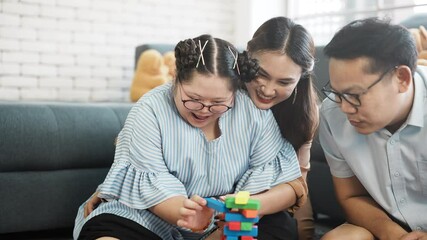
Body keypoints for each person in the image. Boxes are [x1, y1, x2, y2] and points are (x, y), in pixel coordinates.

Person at [73, 34, 307, 240]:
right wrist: (187, 215)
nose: (204, 110)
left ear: (236, 90)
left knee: (279, 227)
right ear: (176, 77)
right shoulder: (150, 109)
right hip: (151, 216)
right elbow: (150, 189)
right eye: (193, 98)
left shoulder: (252, 110)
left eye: (218, 103)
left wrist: (240, 210)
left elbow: (286, 183)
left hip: (225, 221)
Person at [319, 18, 427, 239]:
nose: (345, 108)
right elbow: (351, 197)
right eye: (338, 93)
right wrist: (395, 235)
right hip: (384, 225)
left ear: (402, 79)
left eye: (355, 95)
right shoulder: (333, 113)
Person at [242, 16, 319, 240]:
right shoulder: (222, 94)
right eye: (261, 74)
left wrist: (253, 205)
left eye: (284, 82)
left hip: (274, 200)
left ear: (301, 78)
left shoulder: (303, 114)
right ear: (248, 55)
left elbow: (297, 184)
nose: (267, 89)